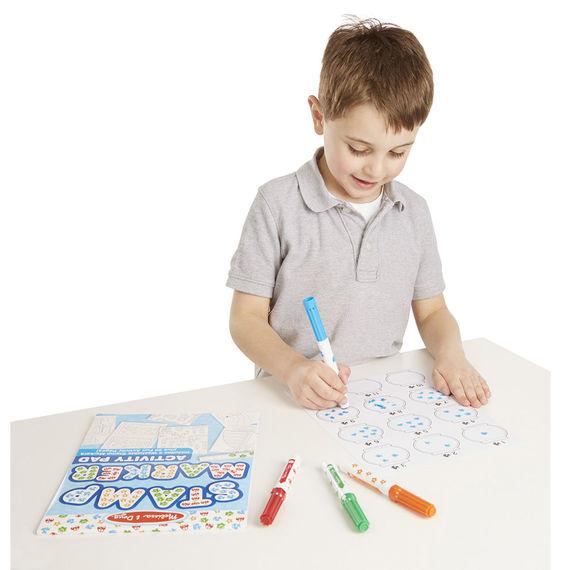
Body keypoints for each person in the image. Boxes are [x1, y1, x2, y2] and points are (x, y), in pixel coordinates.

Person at [226, 16, 491, 410]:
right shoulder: (277, 204)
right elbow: (245, 319)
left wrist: (452, 356)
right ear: (319, 116)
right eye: (359, 149)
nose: (377, 169)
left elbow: (433, 311)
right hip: (289, 399)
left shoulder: (413, 212)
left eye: (398, 152)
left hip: (382, 402)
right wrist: (294, 369)